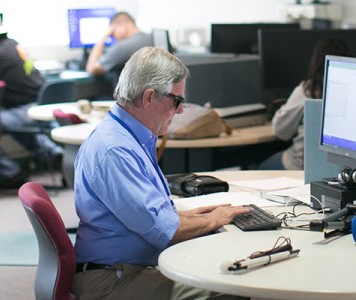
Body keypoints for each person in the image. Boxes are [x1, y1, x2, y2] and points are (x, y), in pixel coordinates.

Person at [71, 47, 250, 299]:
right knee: (229, 289)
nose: (179, 111)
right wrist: (216, 218)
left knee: (227, 269)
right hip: (110, 280)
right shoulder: (115, 150)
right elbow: (165, 231)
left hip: (124, 269)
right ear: (149, 98)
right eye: (176, 101)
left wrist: (192, 217)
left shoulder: (128, 135)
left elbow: (154, 215)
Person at [0, 13, 63, 189]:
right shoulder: (13, 45)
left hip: (25, 110)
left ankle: (10, 172)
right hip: (37, 106)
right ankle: (54, 155)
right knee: (17, 128)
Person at [260, 39, 352, 170]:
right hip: (337, 169)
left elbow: (281, 131)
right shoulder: (355, 92)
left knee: (261, 167)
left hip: (301, 166)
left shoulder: (308, 90)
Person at [85, 12, 153, 78]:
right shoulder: (151, 37)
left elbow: (91, 69)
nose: (114, 38)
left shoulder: (122, 46)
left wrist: (104, 36)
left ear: (123, 25)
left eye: (113, 33)